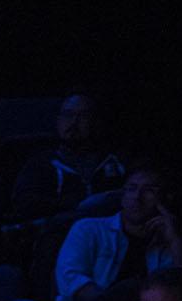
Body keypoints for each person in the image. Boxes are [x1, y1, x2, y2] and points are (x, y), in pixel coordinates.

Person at [53, 162, 182, 301]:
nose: (137, 198)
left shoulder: (174, 248)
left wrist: (174, 238)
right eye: (131, 189)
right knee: (134, 289)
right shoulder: (89, 229)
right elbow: (71, 279)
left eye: (148, 190)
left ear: (165, 199)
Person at [11, 93, 127, 221]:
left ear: (96, 121)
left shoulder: (115, 160)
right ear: (58, 120)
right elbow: (24, 203)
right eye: (68, 115)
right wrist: (77, 205)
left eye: (83, 116)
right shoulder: (42, 163)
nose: (73, 122)